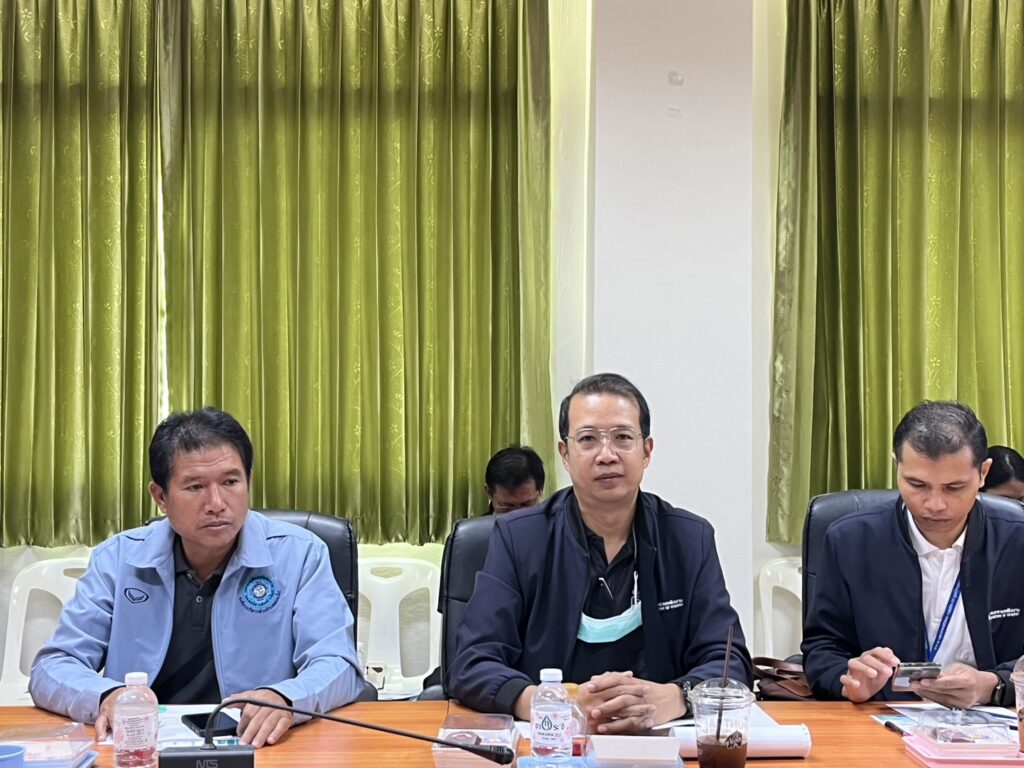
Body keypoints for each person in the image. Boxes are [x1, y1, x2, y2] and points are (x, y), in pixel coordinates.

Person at [30, 408, 363, 747]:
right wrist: (106, 696)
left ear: (248, 482)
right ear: (161, 497)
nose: (216, 503)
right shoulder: (117, 559)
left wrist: (286, 698)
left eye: (230, 482)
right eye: (195, 486)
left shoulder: (301, 554)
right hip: (142, 746)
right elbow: (54, 665)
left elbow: (338, 663)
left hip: (255, 743)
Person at [447, 373, 751, 732]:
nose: (607, 455)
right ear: (565, 454)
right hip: (551, 743)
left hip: (658, 740)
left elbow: (729, 661)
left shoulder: (688, 539)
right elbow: (472, 662)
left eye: (622, 437)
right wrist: (556, 704)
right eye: (588, 439)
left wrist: (676, 697)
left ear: (646, 451)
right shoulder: (519, 538)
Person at [802, 401, 1024, 707]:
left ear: (983, 473)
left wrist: (995, 685)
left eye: (954, 488)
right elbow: (822, 648)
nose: (935, 504)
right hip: (880, 719)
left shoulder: (1017, 540)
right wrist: (848, 681)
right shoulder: (850, 540)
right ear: (897, 466)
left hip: (995, 721)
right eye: (917, 484)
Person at [485, 446, 545, 515]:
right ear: (489, 492)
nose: (517, 515)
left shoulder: (553, 521)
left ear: (540, 491)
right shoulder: (480, 522)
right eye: (507, 506)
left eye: (526, 504)